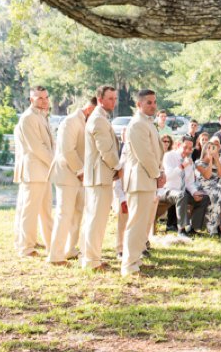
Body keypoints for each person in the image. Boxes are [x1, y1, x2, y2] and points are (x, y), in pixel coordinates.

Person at [120, 89, 165, 276]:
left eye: (154, 102)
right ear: (139, 104)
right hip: (140, 179)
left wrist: (158, 173)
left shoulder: (148, 123)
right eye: (148, 102)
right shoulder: (137, 124)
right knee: (136, 224)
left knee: (143, 224)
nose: (153, 105)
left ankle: (136, 259)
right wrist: (157, 174)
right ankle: (129, 266)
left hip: (147, 179)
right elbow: (144, 155)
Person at [47, 97, 97, 265]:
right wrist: (80, 171)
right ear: (90, 109)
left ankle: (70, 249)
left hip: (81, 176)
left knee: (77, 214)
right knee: (64, 214)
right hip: (67, 174)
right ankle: (55, 255)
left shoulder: (86, 122)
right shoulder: (70, 122)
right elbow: (68, 150)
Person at [81, 85, 121, 271]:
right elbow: (106, 150)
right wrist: (118, 167)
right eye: (110, 98)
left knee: (96, 218)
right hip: (98, 176)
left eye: (115, 98)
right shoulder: (98, 120)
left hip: (101, 176)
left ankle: (92, 257)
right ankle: (91, 260)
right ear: (100, 99)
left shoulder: (101, 118)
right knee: (96, 219)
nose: (114, 101)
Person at [14, 86, 56, 258]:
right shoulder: (28, 118)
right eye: (39, 98)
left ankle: (51, 243)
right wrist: (55, 163)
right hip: (33, 171)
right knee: (29, 210)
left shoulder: (42, 116)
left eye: (46, 97)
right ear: (31, 99)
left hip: (43, 171)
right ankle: (26, 248)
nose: (44, 101)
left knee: (45, 209)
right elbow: (37, 148)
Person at [159, 136, 209, 238]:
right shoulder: (169, 156)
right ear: (178, 145)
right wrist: (182, 166)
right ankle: (181, 230)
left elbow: (190, 182)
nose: (188, 151)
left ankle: (193, 228)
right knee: (182, 195)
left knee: (204, 198)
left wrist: (195, 192)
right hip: (167, 190)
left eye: (190, 149)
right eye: (185, 147)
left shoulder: (189, 161)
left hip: (181, 192)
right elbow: (168, 176)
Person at [195, 139, 221, 235]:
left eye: (214, 149)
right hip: (204, 188)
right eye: (210, 148)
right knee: (217, 194)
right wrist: (210, 159)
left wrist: (216, 159)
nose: (212, 150)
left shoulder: (216, 162)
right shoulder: (198, 163)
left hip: (215, 187)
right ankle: (218, 227)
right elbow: (207, 176)